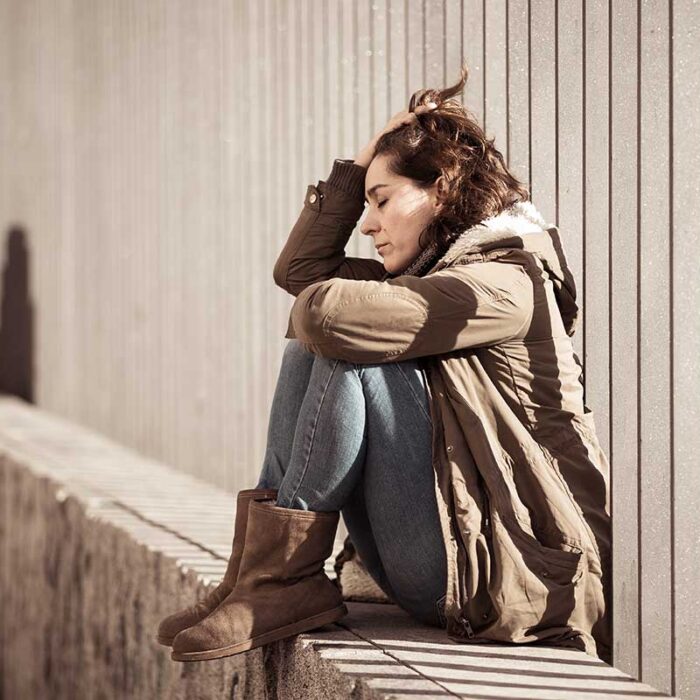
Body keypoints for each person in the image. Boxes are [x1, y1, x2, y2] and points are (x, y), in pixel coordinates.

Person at [156, 61, 612, 665]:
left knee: (350, 343)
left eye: (382, 200)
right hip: (443, 548)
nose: (367, 226)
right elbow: (298, 275)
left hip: (505, 572)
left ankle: (283, 580)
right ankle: (256, 578)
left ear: (443, 188)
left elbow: (324, 309)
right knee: (323, 341)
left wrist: (330, 316)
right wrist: (362, 161)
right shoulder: (437, 275)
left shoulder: (504, 285)